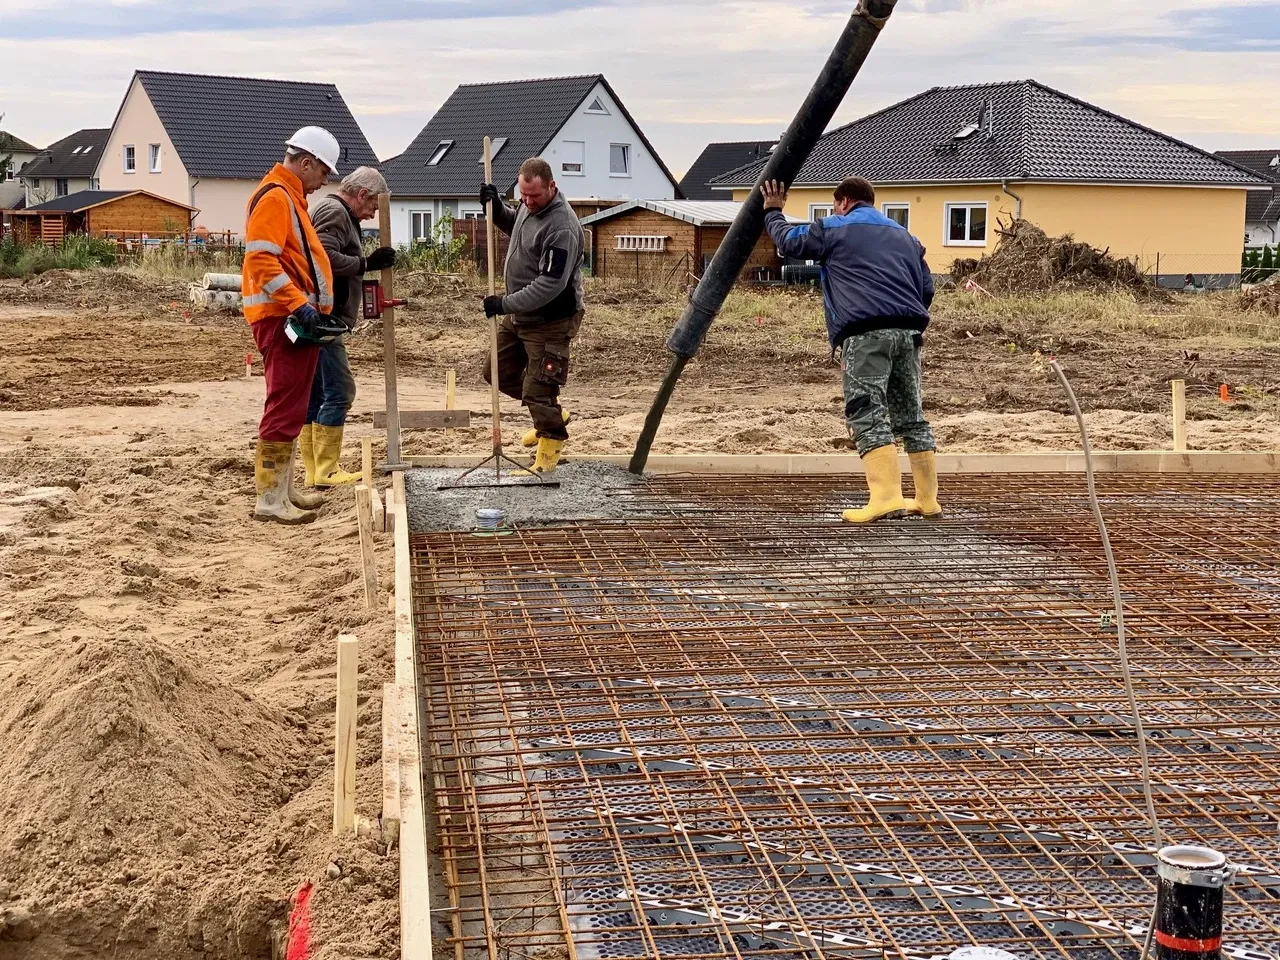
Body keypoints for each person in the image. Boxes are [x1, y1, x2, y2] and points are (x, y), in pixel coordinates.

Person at [762, 176, 941, 523]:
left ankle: (887, 498)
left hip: (864, 334)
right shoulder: (906, 237)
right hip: (908, 333)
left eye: (834, 206)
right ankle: (926, 500)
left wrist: (773, 212)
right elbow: (927, 288)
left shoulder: (833, 228)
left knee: (867, 410)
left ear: (843, 202)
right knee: (911, 415)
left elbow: (789, 243)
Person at [242, 126, 342, 524]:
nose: (324, 182)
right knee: (284, 404)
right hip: (282, 318)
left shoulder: (288, 198)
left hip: (290, 317)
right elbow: (261, 261)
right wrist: (299, 305)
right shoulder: (276, 198)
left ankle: (282, 490)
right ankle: (269, 499)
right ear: (306, 163)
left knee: (294, 404)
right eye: (323, 173)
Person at [478, 157, 585, 475]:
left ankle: (547, 457)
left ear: (552, 186)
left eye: (534, 196)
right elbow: (516, 223)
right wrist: (495, 206)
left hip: (550, 319)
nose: (527, 202)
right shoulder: (529, 206)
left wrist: (504, 304)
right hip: (521, 315)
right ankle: (552, 413)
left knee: (538, 388)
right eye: (522, 195)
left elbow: (550, 285)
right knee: (496, 371)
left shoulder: (562, 228)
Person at [302, 167, 396, 487]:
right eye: (372, 206)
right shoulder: (334, 212)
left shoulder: (336, 212)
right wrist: (366, 263)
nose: (371, 214)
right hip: (322, 318)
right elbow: (324, 258)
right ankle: (326, 470)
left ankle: (314, 470)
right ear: (361, 195)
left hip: (314, 315)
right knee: (340, 392)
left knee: (316, 394)